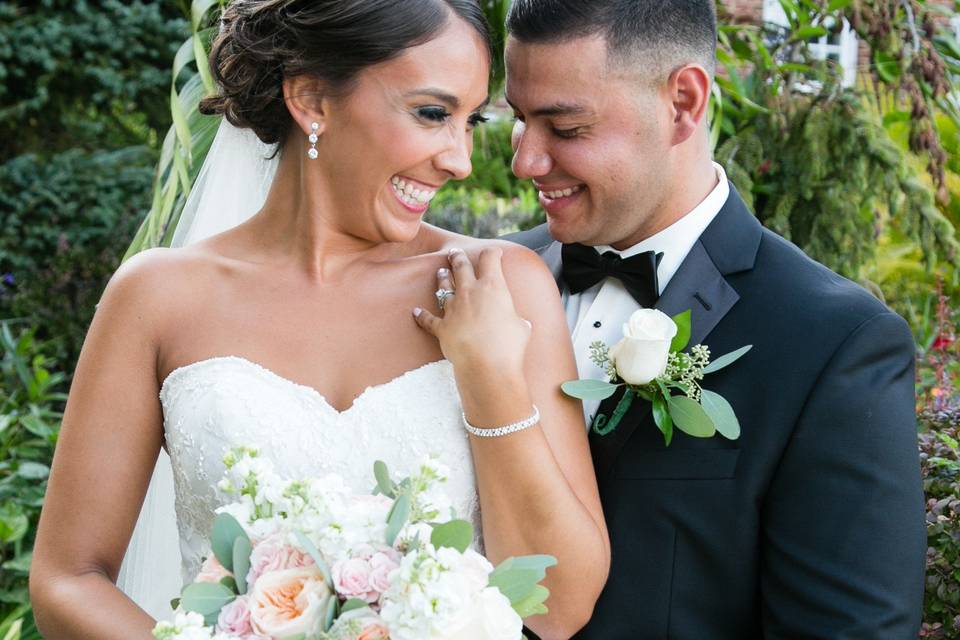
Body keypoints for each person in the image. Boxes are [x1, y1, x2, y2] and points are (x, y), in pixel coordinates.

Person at [28, 2, 610, 638]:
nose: (460, 160)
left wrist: (490, 377)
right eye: (432, 114)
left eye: (472, 122)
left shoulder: (499, 287)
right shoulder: (156, 298)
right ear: (311, 99)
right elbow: (67, 579)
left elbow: (561, 607)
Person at [503, 1, 926, 638]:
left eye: (564, 128)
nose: (525, 161)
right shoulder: (489, 281)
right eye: (518, 119)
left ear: (683, 103)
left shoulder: (833, 345)